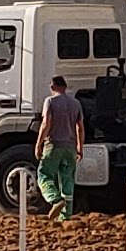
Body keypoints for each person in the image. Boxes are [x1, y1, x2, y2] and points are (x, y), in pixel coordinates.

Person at [37, 74, 85, 222]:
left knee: (44, 174)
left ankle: (55, 199)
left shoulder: (50, 101)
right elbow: (80, 128)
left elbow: (46, 124)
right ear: (65, 87)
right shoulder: (76, 103)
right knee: (67, 180)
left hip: (54, 145)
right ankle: (65, 216)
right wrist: (80, 147)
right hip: (70, 147)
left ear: (52, 87)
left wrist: (38, 144)